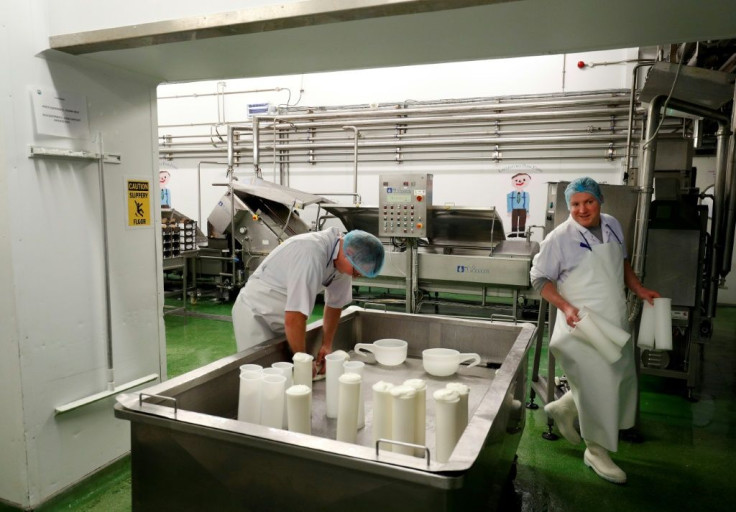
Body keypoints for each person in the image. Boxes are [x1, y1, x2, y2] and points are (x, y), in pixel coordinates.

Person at [529, 177, 660, 484]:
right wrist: (565, 306)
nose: (582, 209)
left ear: (600, 201)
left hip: (612, 318)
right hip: (581, 323)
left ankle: (564, 406)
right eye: (575, 204)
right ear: (568, 206)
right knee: (599, 384)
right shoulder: (559, 238)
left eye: (588, 202)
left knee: (621, 377)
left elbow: (622, 263)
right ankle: (596, 451)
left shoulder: (613, 225)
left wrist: (639, 289)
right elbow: (539, 280)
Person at [232, 227, 385, 373]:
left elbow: (335, 305)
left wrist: (326, 345)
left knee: (283, 374)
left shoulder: (342, 262)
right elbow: (294, 317)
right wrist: (304, 361)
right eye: (356, 270)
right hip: (256, 313)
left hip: (284, 319)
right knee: (260, 376)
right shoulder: (311, 253)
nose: (356, 275)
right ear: (348, 253)